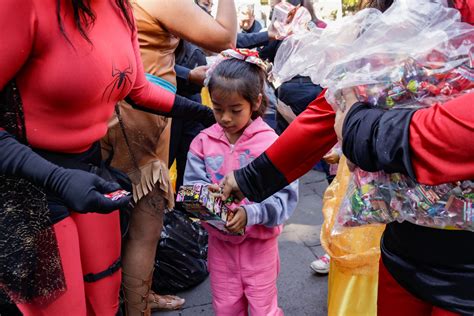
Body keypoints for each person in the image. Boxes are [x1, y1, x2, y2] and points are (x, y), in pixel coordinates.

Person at [220, 1, 474, 315]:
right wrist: (251, 178)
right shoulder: (401, 20)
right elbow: (334, 107)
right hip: (404, 248)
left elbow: (460, 132)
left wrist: (363, 128)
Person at [0, 1, 214, 315]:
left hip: (88, 172)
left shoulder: (119, 7)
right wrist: (54, 177)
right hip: (27, 186)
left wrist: (206, 113)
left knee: (105, 302)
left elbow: (138, 88)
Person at [101, 0, 237, 314]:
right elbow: (225, 37)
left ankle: (135, 297)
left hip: (125, 108)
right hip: (141, 117)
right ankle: (137, 306)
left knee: (118, 220)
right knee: (144, 225)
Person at [184, 50, 298, 315]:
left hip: (260, 248)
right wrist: (209, 205)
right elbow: (192, 192)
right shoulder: (202, 142)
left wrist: (251, 213)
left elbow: (286, 197)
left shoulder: (271, 144)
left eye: (235, 110)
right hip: (220, 248)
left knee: (263, 308)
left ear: (256, 102)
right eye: (217, 108)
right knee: (225, 307)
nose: (225, 118)